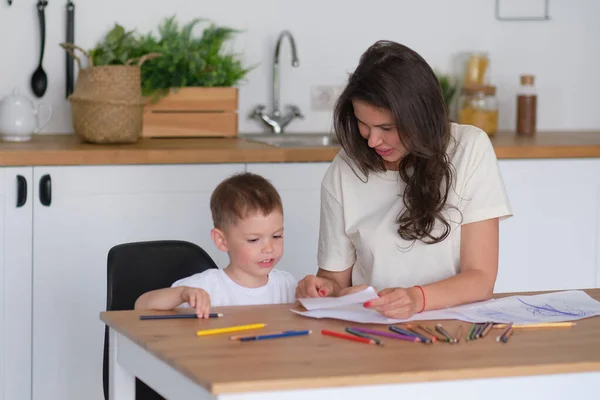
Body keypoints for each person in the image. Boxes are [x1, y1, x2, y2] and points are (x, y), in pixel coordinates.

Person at [296, 40, 512, 320]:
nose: (373, 140)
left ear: (421, 118)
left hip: (453, 327)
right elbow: (336, 280)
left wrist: (414, 299)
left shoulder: (469, 148)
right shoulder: (344, 169)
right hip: (373, 328)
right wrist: (322, 289)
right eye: (364, 124)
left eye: (387, 128)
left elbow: (481, 278)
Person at [135, 172, 297, 318]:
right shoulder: (206, 286)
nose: (269, 248)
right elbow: (141, 306)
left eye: (277, 236)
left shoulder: (287, 285)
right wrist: (181, 294)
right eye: (254, 240)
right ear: (221, 240)